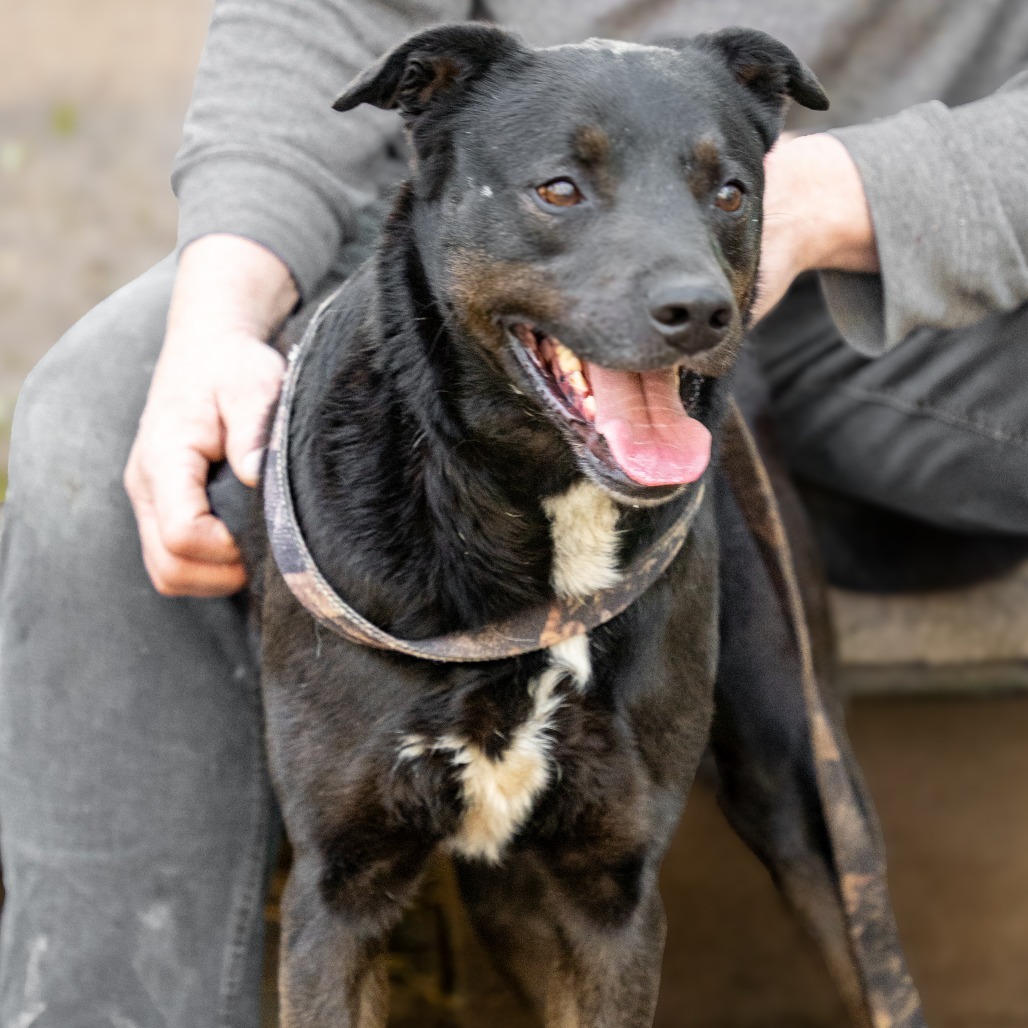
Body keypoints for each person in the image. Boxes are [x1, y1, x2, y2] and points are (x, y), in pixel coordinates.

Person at [1, 1, 1026, 1023]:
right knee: (94, 421)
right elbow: (319, 16)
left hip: (952, 273)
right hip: (495, 246)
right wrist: (218, 315)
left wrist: (852, 188)